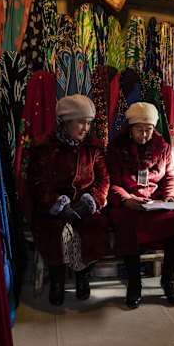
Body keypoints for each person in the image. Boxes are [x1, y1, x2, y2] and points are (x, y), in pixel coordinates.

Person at [28, 94, 110, 306]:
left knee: (94, 227)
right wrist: (57, 205)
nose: (85, 128)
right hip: (53, 208)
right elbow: (37, 182)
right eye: (81, 122)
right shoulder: (43, 147)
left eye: (89, 123)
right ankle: (57, 279)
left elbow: (103, 179)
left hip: (85, 205)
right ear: (65, 122)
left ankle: (83, 277)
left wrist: (91, 201)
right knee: (57, 232)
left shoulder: (94, 147)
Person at [106, 102, 174, 309]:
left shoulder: (162, 148)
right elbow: (112, 183)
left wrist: (170, 198)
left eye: (148, 130)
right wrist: (126, 199)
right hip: (128, 203)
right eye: (139, 130)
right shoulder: (116, 147)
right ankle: (135, 283)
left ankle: (167, 279)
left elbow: (170, 177)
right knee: (128, 223)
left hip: (155, 202)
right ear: (130, 128)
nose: (144, 135)